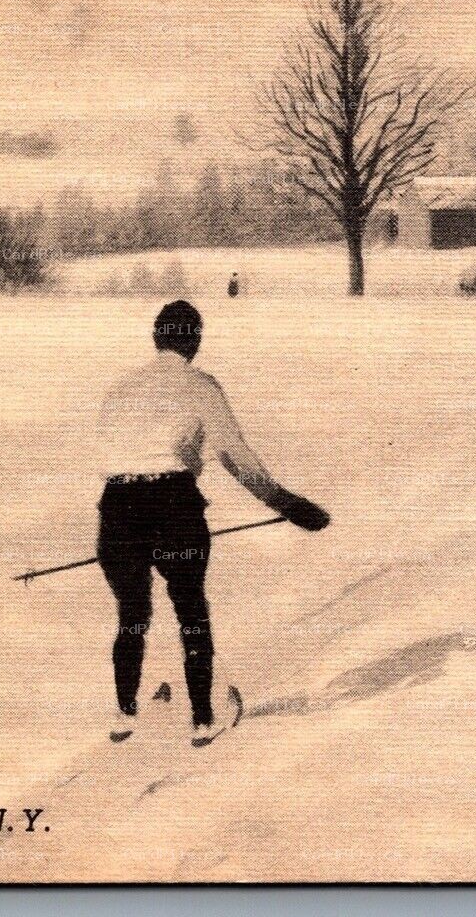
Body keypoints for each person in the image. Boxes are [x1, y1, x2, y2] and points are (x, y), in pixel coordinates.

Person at [94, 299, 328, 746]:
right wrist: (287, 504)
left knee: (132, 613)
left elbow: (110, 452)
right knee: (190, 609)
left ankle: (125, 712)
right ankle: (203, 717)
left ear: (156, 338)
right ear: (195, 341)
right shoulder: (199, 385)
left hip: (117, 508)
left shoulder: (121, 388)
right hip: (173, 504)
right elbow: (233, 454)